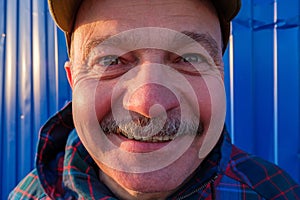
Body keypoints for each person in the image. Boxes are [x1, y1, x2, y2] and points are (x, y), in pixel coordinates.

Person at [9, 0, 300, 199]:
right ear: (74, 82)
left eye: (188, 59)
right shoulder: (28, 196)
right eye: (111, 60)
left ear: (219, 77)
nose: (148, 105)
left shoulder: (275, 192)